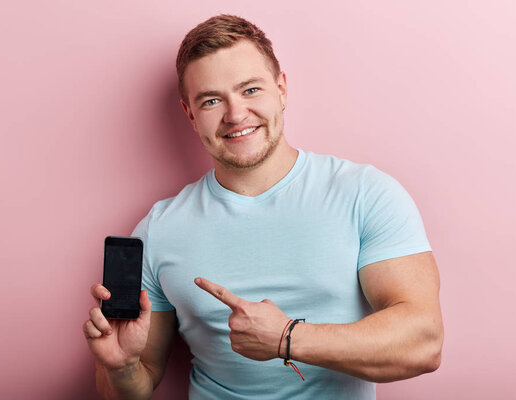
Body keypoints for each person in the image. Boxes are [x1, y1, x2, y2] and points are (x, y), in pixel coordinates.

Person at [83, 14, 444, 400]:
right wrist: (120, 369)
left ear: (281, 89)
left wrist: (288, 338)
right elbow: (131, 387)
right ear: (190, 114)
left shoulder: (364, 194)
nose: (235, 114)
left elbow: (423, 342)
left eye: (251, 90)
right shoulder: (158, 230)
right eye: (211, 100)